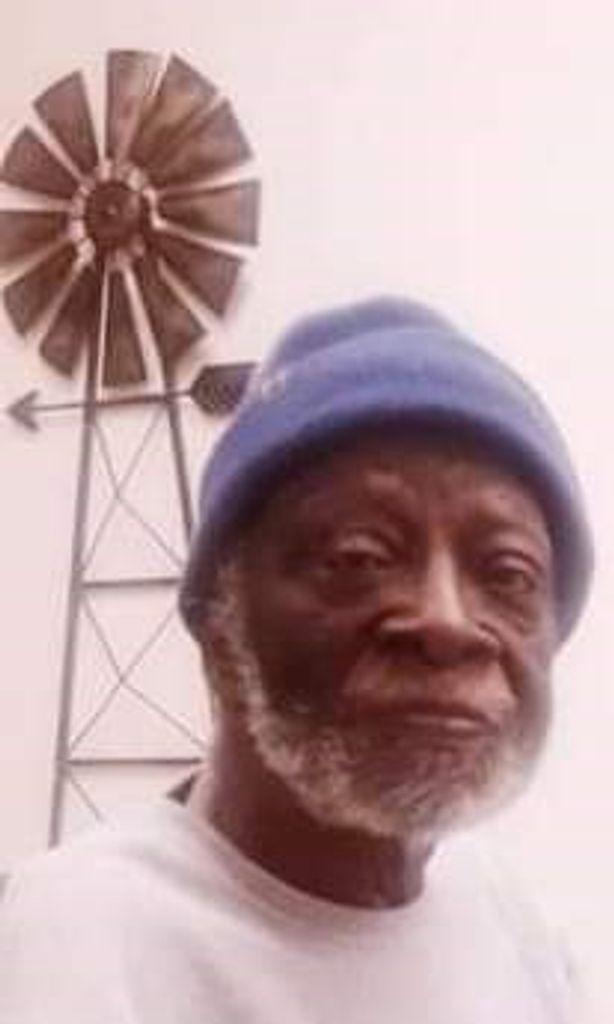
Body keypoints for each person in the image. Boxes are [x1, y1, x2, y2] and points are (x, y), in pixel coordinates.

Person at [0, 298, 594, 1022]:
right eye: (360, 558)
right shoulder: (76, 945)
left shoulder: (507, 919)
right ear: (219, 625)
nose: (447, 621)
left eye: (508, 574)